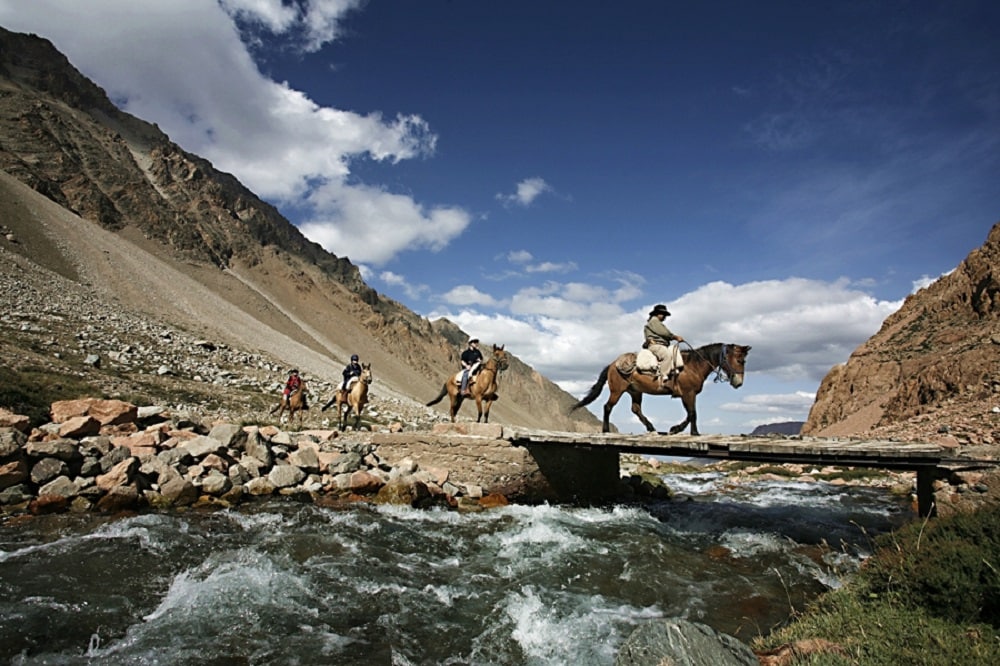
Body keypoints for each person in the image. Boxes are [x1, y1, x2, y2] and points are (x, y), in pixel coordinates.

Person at [643, 304, 685, 387]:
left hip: (663, 345)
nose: (664, 317)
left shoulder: (656, 322)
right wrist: (675, 337)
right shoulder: (654, 321)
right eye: (663, 314)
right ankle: (664, 377)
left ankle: (672, 370)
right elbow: (664, 333)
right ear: (657, 314)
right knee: (667, 355)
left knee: (674, 352)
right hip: (656, 345)